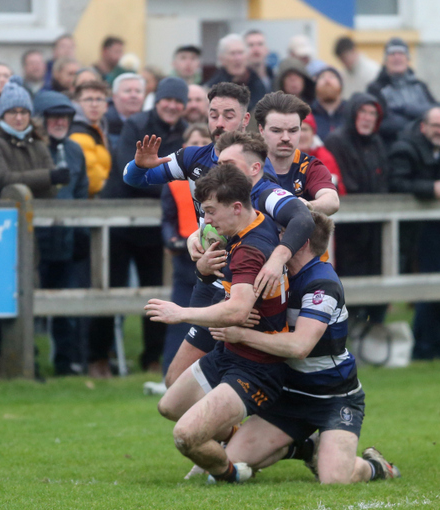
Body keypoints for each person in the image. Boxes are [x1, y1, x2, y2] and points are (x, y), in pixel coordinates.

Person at [124, 121, 315, 387]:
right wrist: (197, 249)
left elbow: (304, 219)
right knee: (175, 382)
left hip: (244, 306)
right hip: (214, 291)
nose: (219, 168)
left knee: (214, 387)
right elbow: (133, 178)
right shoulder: (219, 194)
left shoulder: (266, 194)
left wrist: (278, 258)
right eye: (213, 113)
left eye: (228, 164)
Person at [214, 212, 400, 484]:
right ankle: (307, 447)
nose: (276, 238)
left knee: (334, 479)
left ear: (301, 241)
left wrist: (240, 335)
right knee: (228, 464)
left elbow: (300, 346)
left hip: (334, 397)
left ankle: (375, 467)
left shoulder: (321, 284)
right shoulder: (276, 272)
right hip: (289, 394)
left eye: (283, 233)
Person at [145, 164, 291, 484]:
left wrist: (180, 313)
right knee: (169, 405)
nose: (206, 220)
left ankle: (232, 473)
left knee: (186, 436)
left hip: (255, 368)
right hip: (227, 352)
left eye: (210, 211)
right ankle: (244, 440)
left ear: (236, 207)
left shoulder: (249, 249)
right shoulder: (255, 223)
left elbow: (238, 311)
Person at [93, 77, 189, 376]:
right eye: (167, 99)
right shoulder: (137, 125)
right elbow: (129, 172)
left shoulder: (185, 131)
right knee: (108, 289)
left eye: (178, 101)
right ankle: (98, 356)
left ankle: (152, 358)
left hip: (154, 227)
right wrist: (172, 186)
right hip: (119, 222)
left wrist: (168, 183)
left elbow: (185, 172)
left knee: (157, 294)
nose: (172, 106)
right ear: (157, 100)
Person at [0, 77, 64, 380]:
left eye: (23, 112)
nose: (18, 117)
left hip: (28, 235)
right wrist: (46, 177)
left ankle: (26, 360)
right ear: (2, 114)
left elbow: (51, 188)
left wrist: (46, 180)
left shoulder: (36, 144)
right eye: (12, 112)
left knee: (26, 294)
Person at [389, 107, 440, 360]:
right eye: (437, 125)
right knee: (427, 288)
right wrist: (431, 188)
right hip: (410, 233)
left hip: (436, 231)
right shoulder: (404, 149)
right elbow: (396, 183)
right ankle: (427, 348)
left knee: (437, 287)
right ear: (423, 127)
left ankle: (434, 346)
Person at [34, 91, 90, 376]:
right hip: (34, 242)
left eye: (65, 117)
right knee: (30, 304)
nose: (60, 122)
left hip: (68, 240)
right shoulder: (32, 149)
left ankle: (66, 363)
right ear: (41, 119)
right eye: (54, 117)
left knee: (67, 304)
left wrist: (81, 232)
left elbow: (81, 193)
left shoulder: (75, 150)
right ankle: (28, 365)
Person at [324, 94, 389, 320]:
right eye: (363, 112)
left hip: (375, 225)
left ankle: (375, 324)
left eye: (373, 113)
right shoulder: (336, 141)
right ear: (353, 113)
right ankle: (348, 326)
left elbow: (384, 179)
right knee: (349, 275)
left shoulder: (377, 142)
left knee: (378, 274)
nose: (367, 118)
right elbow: (342, 181)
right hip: (348, 227)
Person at [159, 125, 212, 378]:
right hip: (184, 258)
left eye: (204, 142)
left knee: (210, 318)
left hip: (215, 258)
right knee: (178, 315)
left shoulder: (224, 178)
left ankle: (207, 374)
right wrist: (174, 241)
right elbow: (167, 219)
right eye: (194, 142)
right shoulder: (175, 182)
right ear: (184, 147)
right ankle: (170, 373)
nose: (199, 146)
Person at [254, 91, 340, 215]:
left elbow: (332, 201)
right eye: (276, 131)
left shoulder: (310, 166)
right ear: (261, 130)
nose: (285, 138)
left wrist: (308, 206)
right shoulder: (247, 164)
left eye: (293, 130)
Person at [367, 37, 436, 146]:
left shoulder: (420, 86)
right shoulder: (375, 89)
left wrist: (405, 109)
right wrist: (420, 122)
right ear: (385, 60)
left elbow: (436, 110)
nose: (397, 57)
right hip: (392, 146)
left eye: (401, 53)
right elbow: (381, 122)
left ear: (408, 58)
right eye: (392, 53)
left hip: (424, 145)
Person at [69, 79, 111, 198]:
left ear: (106, 106)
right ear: (76, 104)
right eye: (88, 99)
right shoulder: (78, 133)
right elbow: (93, 182)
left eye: (99, 99)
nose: (94, 104)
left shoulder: (101, 130)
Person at [205, 33, 268, 110]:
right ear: (222, 59)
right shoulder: (213, 87)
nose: (237, 58)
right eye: (232, 53)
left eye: (240, 53)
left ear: (247, 56)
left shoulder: (257, 83)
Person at [299, 115, 346, 195]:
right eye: (298, 130)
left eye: (305, 129)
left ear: (313, 133)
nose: (301, 135)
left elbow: (339, 189)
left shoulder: (325, 157)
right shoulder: (283, 156)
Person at [104, 72, 145, 154]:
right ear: (114, 97)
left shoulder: (150, 123)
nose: (134, 95)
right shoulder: (103, 122)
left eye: (138, 91)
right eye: (128, 91)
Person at [333, 36, 378, 101]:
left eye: (345, 57)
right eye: (341, 60)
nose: (344, 62)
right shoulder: (343, 75)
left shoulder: (373, 71)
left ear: (353, 51)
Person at [309, 68, 347, 140]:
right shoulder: (308, 114)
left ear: (341, 85)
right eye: (322, 77)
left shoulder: (351, 113)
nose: (327, 80)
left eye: (332, 76)